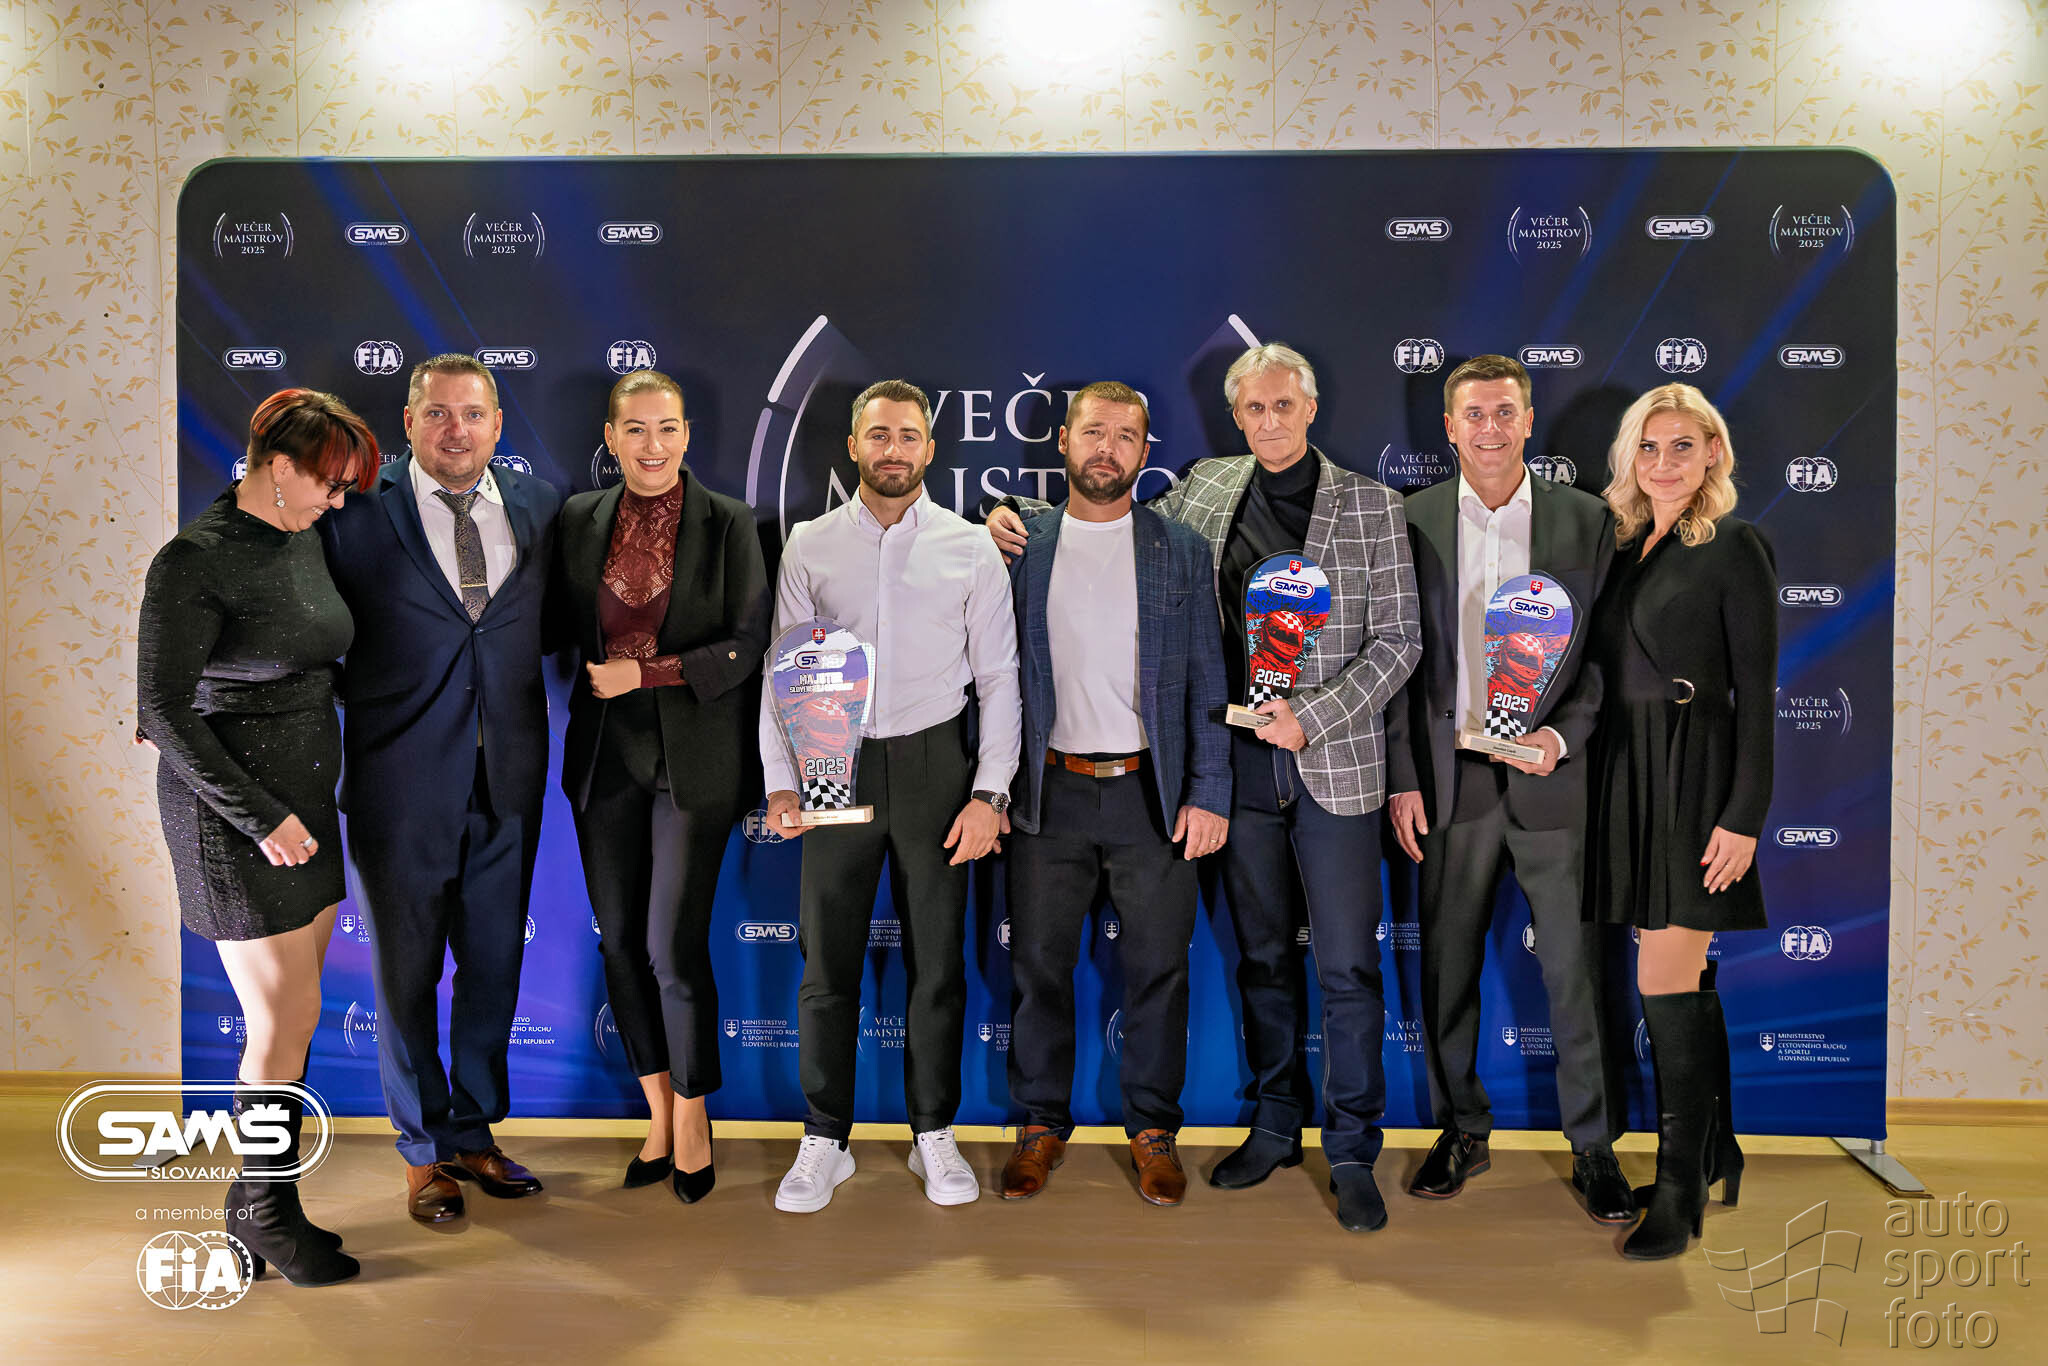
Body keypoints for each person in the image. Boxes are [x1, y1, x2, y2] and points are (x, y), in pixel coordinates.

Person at [989, 343, 1420, 1231]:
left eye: (1284, 405)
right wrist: (1008, 514)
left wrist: (1314, 716)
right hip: (1228, 770)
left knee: (1345, 966)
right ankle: (1274, 1125)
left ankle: (1351, 1150)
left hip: (1324, 764)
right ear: (1235, 417)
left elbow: (1400, 641)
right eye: (1254, 408)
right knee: (1261, 959)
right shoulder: (1207, 491)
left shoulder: (1373, 504)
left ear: (1311, 408)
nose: (1270, 420)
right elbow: (1096, 510)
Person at [138, 388, 381, 1286]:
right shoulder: (193, 560)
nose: (338, 501)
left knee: (297, 1015)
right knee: (282, 1017)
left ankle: (255, 1205)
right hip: (236, 818)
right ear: (280, 467)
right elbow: (160, 709)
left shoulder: (300, 535)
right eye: (329, 482)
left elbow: (308, 654)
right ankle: (269, 1214)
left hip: (304, 805)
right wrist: (259, 817)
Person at [762, 379, 1021, 1214]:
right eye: (878, 435)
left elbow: (1000, 679)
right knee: (826, 965)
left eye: (908, 435)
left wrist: (991, 793)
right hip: (830, 761)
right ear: (853, 446)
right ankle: (824, 1138)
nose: (894, 450)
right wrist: (780, 781)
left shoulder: (969, 547)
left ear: (930, 449)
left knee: (937, 964)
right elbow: (782, 669)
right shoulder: (809, 543)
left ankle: (932, 1132)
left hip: (935, 766)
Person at [1384, 354, 1633, 1224]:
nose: (1489, 428)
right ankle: (1462, 1128)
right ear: (1448, 428)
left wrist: (1562, 737)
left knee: (1573, 974)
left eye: (1503, 412)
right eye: (1473, 414)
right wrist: (1403, 779)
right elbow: (1396, 664)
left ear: (1528, 421)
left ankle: (1594, 1146)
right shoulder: (1409, 519)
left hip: (1550, 781)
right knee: (1446, 968)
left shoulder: (1585, 520)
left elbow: (1603, 659)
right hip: (1449, 782)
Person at [316, 354, 562, 1225]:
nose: (457, 429)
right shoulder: (352, 509)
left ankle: (472, 1132)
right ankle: (422, 1154)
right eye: (438, 413)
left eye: (473, 413)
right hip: (398, 783)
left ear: (497, 424)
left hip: (507, 780)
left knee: (494, 968)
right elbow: (305, 621)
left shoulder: (540, 506)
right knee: (407, 974)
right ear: (409, 422)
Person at [997, 383, 1231, 1208]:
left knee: (1160, 969)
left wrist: (1209, 791)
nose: (1107, 448)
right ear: (1063, 441)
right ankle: (1039, 1124)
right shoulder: (1020, 543)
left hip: (1150, 793)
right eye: (1093, 431)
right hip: (1047, 790)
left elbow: (1209, 677)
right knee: (1038, 965)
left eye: (1125, 435)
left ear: (1144, 451)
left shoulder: (1180, 548)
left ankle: (1153, 1130)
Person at [555, 370, 770, 1203]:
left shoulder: (730, 522)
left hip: (696, 759)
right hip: (604, 758)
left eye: (668, 428)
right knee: (618, 945)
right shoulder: (578, 518)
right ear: (611, 438)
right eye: (637, 430)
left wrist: (646, 673)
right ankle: (656, 1111)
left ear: (687, 435)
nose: (654, 445)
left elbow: (748, 641)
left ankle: (693, 1115)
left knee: (672, 948)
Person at [1585, 382, 1777, 1260]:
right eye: (1650, 446)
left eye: (1683, 446)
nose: (1664, 462)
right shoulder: (1623, 546)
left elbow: (1757, 698)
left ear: (1714, 455)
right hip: (1626, 771)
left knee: (1665, 975)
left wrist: (1744, 816)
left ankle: (1677, 1190)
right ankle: (1712, 1151)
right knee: (1684, 978)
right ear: (1631, 457)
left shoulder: (1735, 544)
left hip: (1695, 777)